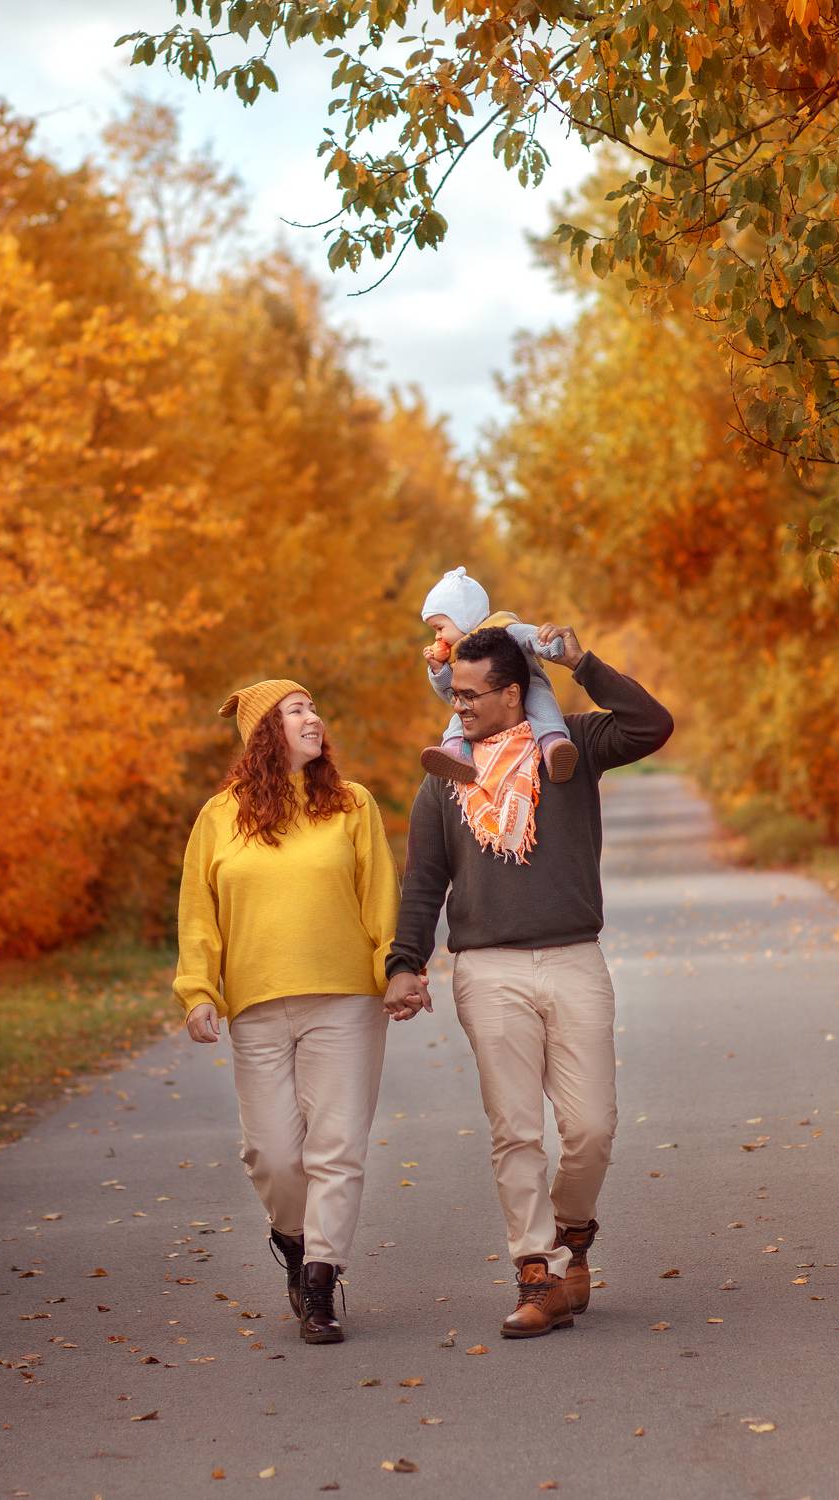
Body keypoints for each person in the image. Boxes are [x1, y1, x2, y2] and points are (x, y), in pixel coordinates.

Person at [383, 626, 673, 1339]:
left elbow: (650, 725)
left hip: (574, 960)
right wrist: (405, 963)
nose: (458, 706)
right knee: (515, 1130)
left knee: (591, 1128)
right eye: (453, 694)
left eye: (471, 694)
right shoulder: (445, 774)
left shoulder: (569, 748)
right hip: (488, 971)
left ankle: (573, 1235)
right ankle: (536, 1273)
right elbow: (423, 881)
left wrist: (581, 663)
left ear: (513, 694)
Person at [175, 678, 400, 1345]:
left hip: (346, 1000)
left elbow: (380, 897)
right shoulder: (219, 815)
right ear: (263, 734)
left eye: (312, 707)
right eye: (296, 710)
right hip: (258, 1004)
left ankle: (322, 1280)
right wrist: (198, 989)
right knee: (271, 1154)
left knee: (336, 1147)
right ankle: (295, 1241)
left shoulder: (351, 803)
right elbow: (198, 912)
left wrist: (396, 969)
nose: (313, 717)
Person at [419, 565, 579, 791]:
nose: (437, 636)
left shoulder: (504, 627)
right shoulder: (457, 656)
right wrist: (438, 671)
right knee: (461, 714)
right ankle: (456, 752)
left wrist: (551, 646)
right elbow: (452, 695)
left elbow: (530, 636)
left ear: (463, 619)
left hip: (528, 683)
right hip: (483, 703)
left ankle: (554, 746)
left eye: (439, 628)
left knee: (542, 704)